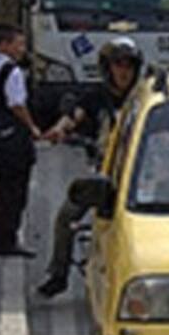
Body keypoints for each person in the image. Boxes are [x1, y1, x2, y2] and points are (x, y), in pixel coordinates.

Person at [37, 38, 143, 297]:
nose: (124, 72)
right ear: (107, 68)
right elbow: (74, 116)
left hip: (142, 176)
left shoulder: (144, 96)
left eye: (129, 65)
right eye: (118, 65)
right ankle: (58, 273)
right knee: (66, 216)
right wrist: (59, 130)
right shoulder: (95, 97)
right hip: (105, 173)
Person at [0, 23, 40, 257]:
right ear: (4, 44)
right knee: (14, 190)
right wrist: (32, 127)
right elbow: (16, 104)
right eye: (18, 44)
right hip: (11, 138)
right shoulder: (11, 71)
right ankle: (6, 238)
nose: (22, 49)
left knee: (0, 187)